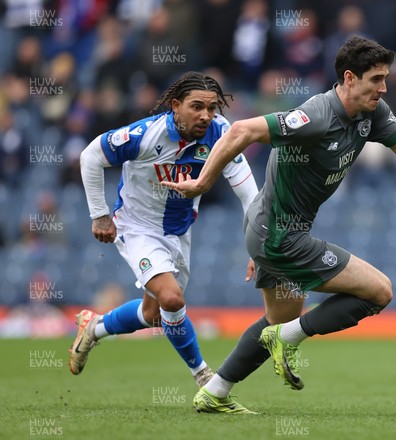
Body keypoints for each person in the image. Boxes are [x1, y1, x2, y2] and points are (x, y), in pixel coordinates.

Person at [163, 36, 396, 413]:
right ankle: (288, 338)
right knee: (380, 292)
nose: (384, 87)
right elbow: (239, 131)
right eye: (376, 78)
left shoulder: (372, 112)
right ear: (349, 77)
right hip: (280, 237)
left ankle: (214, 392)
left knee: (278, 318)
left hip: (270, 234)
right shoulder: (317, 115)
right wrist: (202, 183)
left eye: (385, 78)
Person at [71, 72, 259, 413]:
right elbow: (90, 157)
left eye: (212, 108)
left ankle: (94, 328)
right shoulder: (145, 135)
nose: (206, 115)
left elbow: (248, 192)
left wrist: (256, 246)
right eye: (196, 107)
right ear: (176, 106)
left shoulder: (221, 134)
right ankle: (206, 380)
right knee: (172, 298)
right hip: (137, 227)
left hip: (178, 232)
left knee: (153, 313)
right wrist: (99, 215)